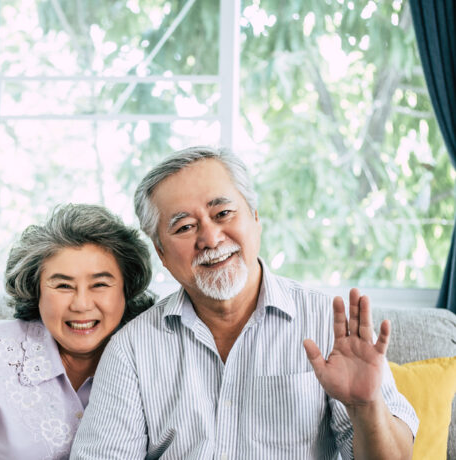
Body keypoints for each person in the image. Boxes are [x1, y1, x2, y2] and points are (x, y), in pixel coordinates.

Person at [70, 146, 418, 459]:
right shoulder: (131, 349)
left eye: (223, 213)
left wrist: (366, 407)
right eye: (185, 227)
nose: (210, 238)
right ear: (161, 252)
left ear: (255, 217)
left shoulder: (327, 323)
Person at [0, 203, 155, 459]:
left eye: (100, 284)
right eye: (63, 286)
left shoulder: (151, 358)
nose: (81, 304)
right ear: (37, 292)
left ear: (126, 289)